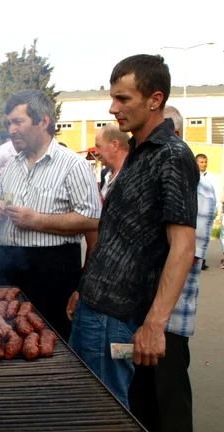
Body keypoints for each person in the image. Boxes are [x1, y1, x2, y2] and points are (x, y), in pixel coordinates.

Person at [69, 54, 198, 408]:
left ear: (155, 100)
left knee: (104, 417)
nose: (113, 108)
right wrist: (85, 287)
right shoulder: (138, 152)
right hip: (94, 306)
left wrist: (155, 324)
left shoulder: (171, 155)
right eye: (113, 97)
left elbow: (183, 247)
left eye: (123, 98)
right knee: (85, 405)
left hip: (117, 314)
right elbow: (116, 234)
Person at [128, 105, 216, 432]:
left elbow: (185, 254)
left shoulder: (196, 183)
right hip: (143, 317)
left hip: (168, 322)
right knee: (145, 410)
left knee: (170, 418)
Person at [0, 89, 101, 341]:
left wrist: (36, 220)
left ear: (44, 120)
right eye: (8, 123)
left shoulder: (74, 165)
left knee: (52, 341)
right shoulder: (10, 166)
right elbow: (2, 204)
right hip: (9, 267)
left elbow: (92, 221)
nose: (11, 130)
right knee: (8, 339)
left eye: (18, 122)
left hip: (53, 271)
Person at [94, 124, 129, 198]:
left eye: (98, 146)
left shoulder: (135, 174)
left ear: (114, 145)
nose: (96, 152)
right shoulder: (105, 174)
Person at [196, 154, 217, 270]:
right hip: (198, 210)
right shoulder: (193, 176)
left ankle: (202, 259)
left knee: (204, 235)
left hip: (208, 209)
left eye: (205, 162)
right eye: (201, 162)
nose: (204, 164)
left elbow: (216, 193)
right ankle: (199, 259)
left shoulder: (211, 177)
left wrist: (216, 208)